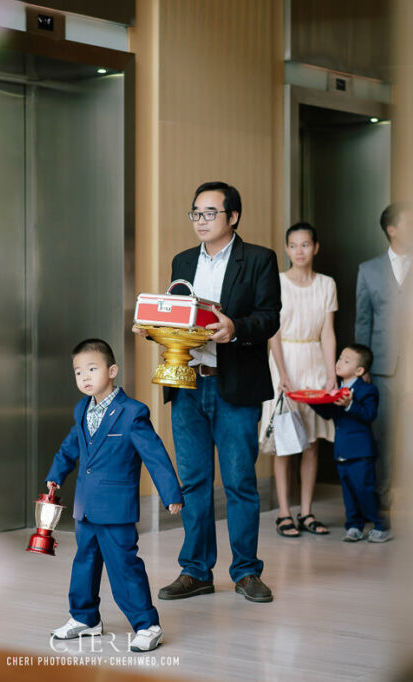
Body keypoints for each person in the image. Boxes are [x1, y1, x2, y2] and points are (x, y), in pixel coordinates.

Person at [134, 181, 281, 604]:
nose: (201, 220)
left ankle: (246, 572)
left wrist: (235, 327)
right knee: (194, 482)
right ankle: (196, 571)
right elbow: (179, 319)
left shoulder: (258, 259)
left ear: (232, 216)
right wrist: (152, 330)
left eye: (210, 213)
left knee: (239, 482)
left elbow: (269, 317)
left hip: (235, 385)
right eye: (196, 213)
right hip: (189, 385)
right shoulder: (182, 260)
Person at [46, 338, 184, 653]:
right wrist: (55, 476)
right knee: (84, 563)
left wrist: (170, 493)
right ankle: (84, 618)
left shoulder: (131, 412)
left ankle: (147, 625)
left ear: (112, 371)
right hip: (86, 507)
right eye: (78, 372)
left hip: (117, 509)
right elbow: (70, 448)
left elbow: (155, 454)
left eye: (92, 369)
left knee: (124, 566)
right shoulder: (81, 408)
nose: (84, 377)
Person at [262, 222, 337, 537]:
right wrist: (282, 374)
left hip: (314, 360)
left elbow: (328, 332)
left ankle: (306, 511)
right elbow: (273, 332)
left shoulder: (327, 284)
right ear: (287, 249)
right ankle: (284, 512)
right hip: (284, 363)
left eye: (305, 245)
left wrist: (332, 373)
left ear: (315, 247)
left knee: (311, 442)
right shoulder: (276, 282)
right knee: (284, 441)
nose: (299, 251)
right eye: (293, 245)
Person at [355, 203, 411, 510]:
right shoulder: (368, 270)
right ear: (391, 229)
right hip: (383, 367)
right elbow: (364, 321)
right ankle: (380, 500)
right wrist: (363, 367)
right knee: (383, 436)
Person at [307, 344, 392, 543]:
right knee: (349, 492)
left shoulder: (367, 390)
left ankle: (381, 524)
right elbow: (329, 414)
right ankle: (354, 525)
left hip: (361, 453)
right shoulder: (337, 389)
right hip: (342, 451)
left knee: (365, 490)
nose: (339, 362)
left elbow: (369, 415)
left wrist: (350, 405)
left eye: (346, 361)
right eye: (339, 358)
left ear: (359, 370)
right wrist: (313, 399)